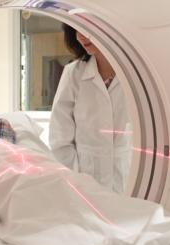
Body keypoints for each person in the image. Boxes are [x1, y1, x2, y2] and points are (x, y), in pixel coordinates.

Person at [49, 23, 132, 194]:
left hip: (127, 177)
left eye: (86, 27)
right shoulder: (74, 74)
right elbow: (60, 138)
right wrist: (75, 182)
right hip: (84, 180)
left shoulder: (133, 74)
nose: (80, 35)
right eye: (76, 29)